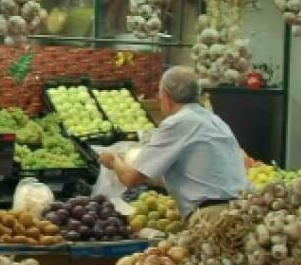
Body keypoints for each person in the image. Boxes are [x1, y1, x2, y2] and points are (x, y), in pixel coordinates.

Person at [98, 66, 247, 225]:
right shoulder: (216, 121)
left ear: (167, 97)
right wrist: (149, 176)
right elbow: (195, 176)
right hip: (241, 211)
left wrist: (113, 160)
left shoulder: (177, 122)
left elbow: (131, 179)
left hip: (211, 218)